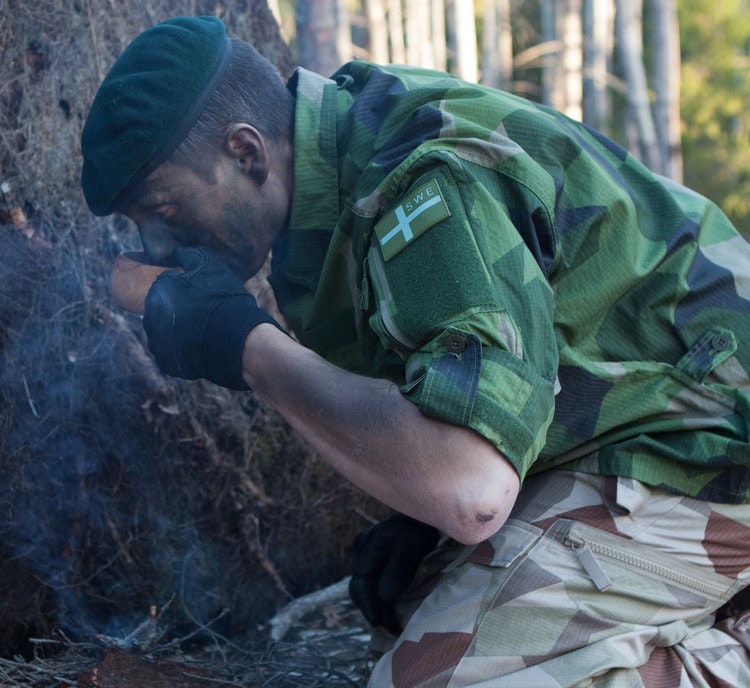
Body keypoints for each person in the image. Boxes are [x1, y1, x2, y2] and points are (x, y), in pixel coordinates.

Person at [80, 15, 750, 687]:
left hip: (705, 444)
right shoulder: (331, 166)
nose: (157, 248)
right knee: (405, 605)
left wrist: (248, 348)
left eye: (164, 212)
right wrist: (415, 520)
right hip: (628, 423)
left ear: (246, 153)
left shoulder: (424, 180)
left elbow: (471, 490)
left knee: (431, 680)